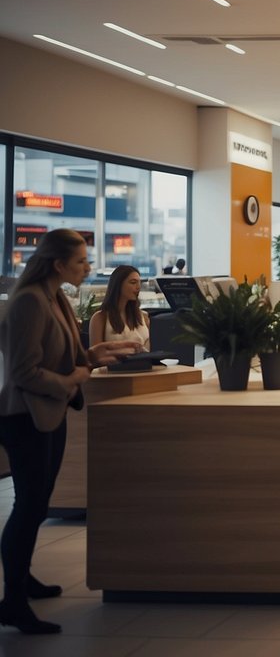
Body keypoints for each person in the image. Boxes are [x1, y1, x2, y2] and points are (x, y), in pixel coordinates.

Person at [0, 229, 137, 635]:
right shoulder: (27, 302)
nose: (88, 268)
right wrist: (73, 378)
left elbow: (62, 354)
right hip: (25, 416)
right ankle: (13, 600)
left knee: (38, 504)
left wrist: (93, 357)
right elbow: (25, 372)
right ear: (58, 264)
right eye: (81, 261)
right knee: (27, 508)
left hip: (50, 413)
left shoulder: (55, 296)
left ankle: (23, 579)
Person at [88, 266, 150, 351]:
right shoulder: (100, 318)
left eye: (139, 283)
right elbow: (95, 357)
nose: (138, 287)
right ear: (118, 284)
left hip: (145, 363)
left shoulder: (143, 316)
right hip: (114, 364)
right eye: (133, 282)